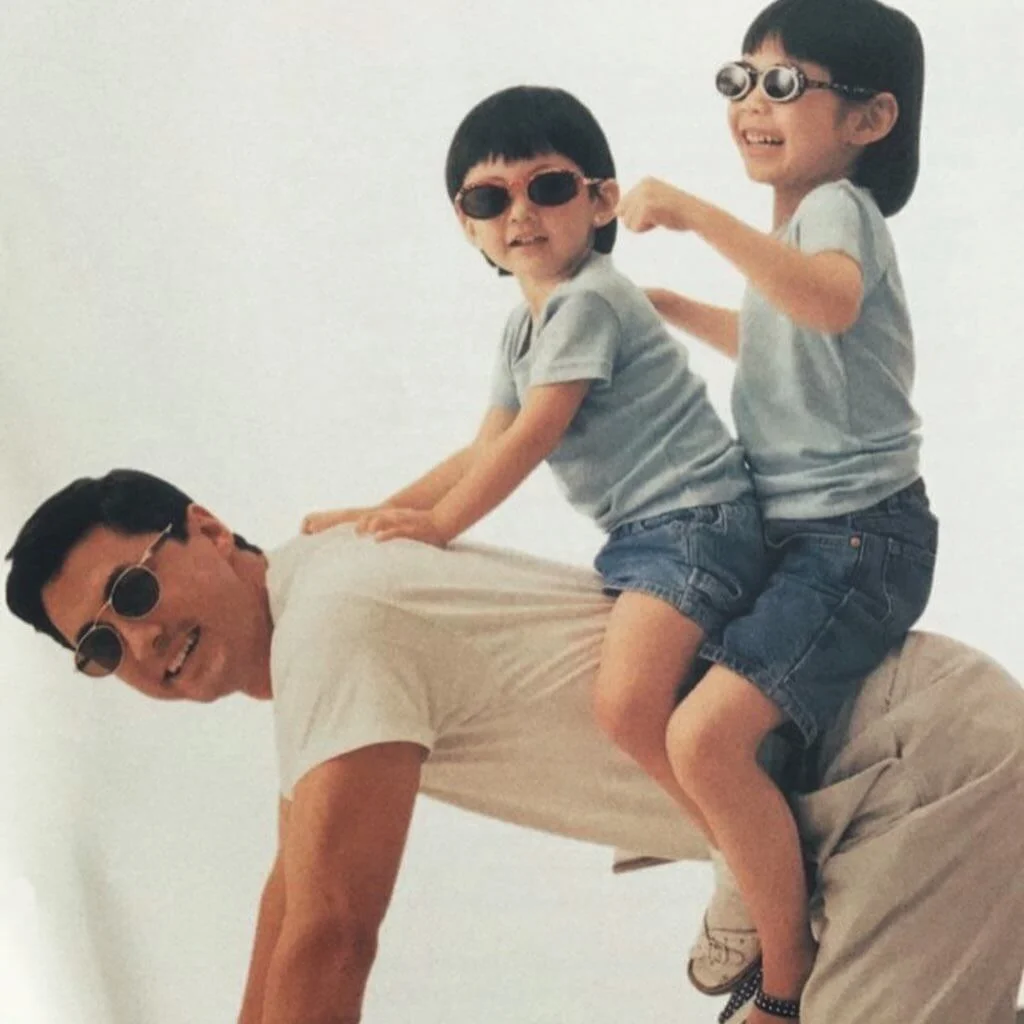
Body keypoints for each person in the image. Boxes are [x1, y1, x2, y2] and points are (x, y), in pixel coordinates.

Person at [6, 469, 1023, 1024]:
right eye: (100, 645)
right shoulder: (321, 615)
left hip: (902, 773)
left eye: (132, 589)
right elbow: (292, 908)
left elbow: (332, 934)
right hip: (852, 813)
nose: (140, 638)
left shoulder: (334, 622)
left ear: (207, 527)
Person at [302, 85, 767, 994]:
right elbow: (484, 443)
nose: (519, 213)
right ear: (466, 224)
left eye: (547, 187)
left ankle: (741, 865)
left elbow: (533, 436)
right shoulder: (527, 323)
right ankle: (709, 822)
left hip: (697, 521)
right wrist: (376, 515)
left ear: (602, 201)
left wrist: (440, 527)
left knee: (624, 705)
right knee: (629, 699)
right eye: (490, 198)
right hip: (646, 535)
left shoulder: (590, 300)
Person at [617, 1, 937, 1016]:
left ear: (868, 119)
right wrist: (667, 311)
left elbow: (824, 304)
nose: (753, 104)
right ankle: (747, 870)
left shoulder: (836, 211)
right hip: (801, 535)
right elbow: (780, 335)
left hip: (857, 542)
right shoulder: (793, 236)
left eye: (785, 84)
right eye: (741, 80)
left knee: (702, 738)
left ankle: (784, 985)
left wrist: (691, 214)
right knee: (659, 699)